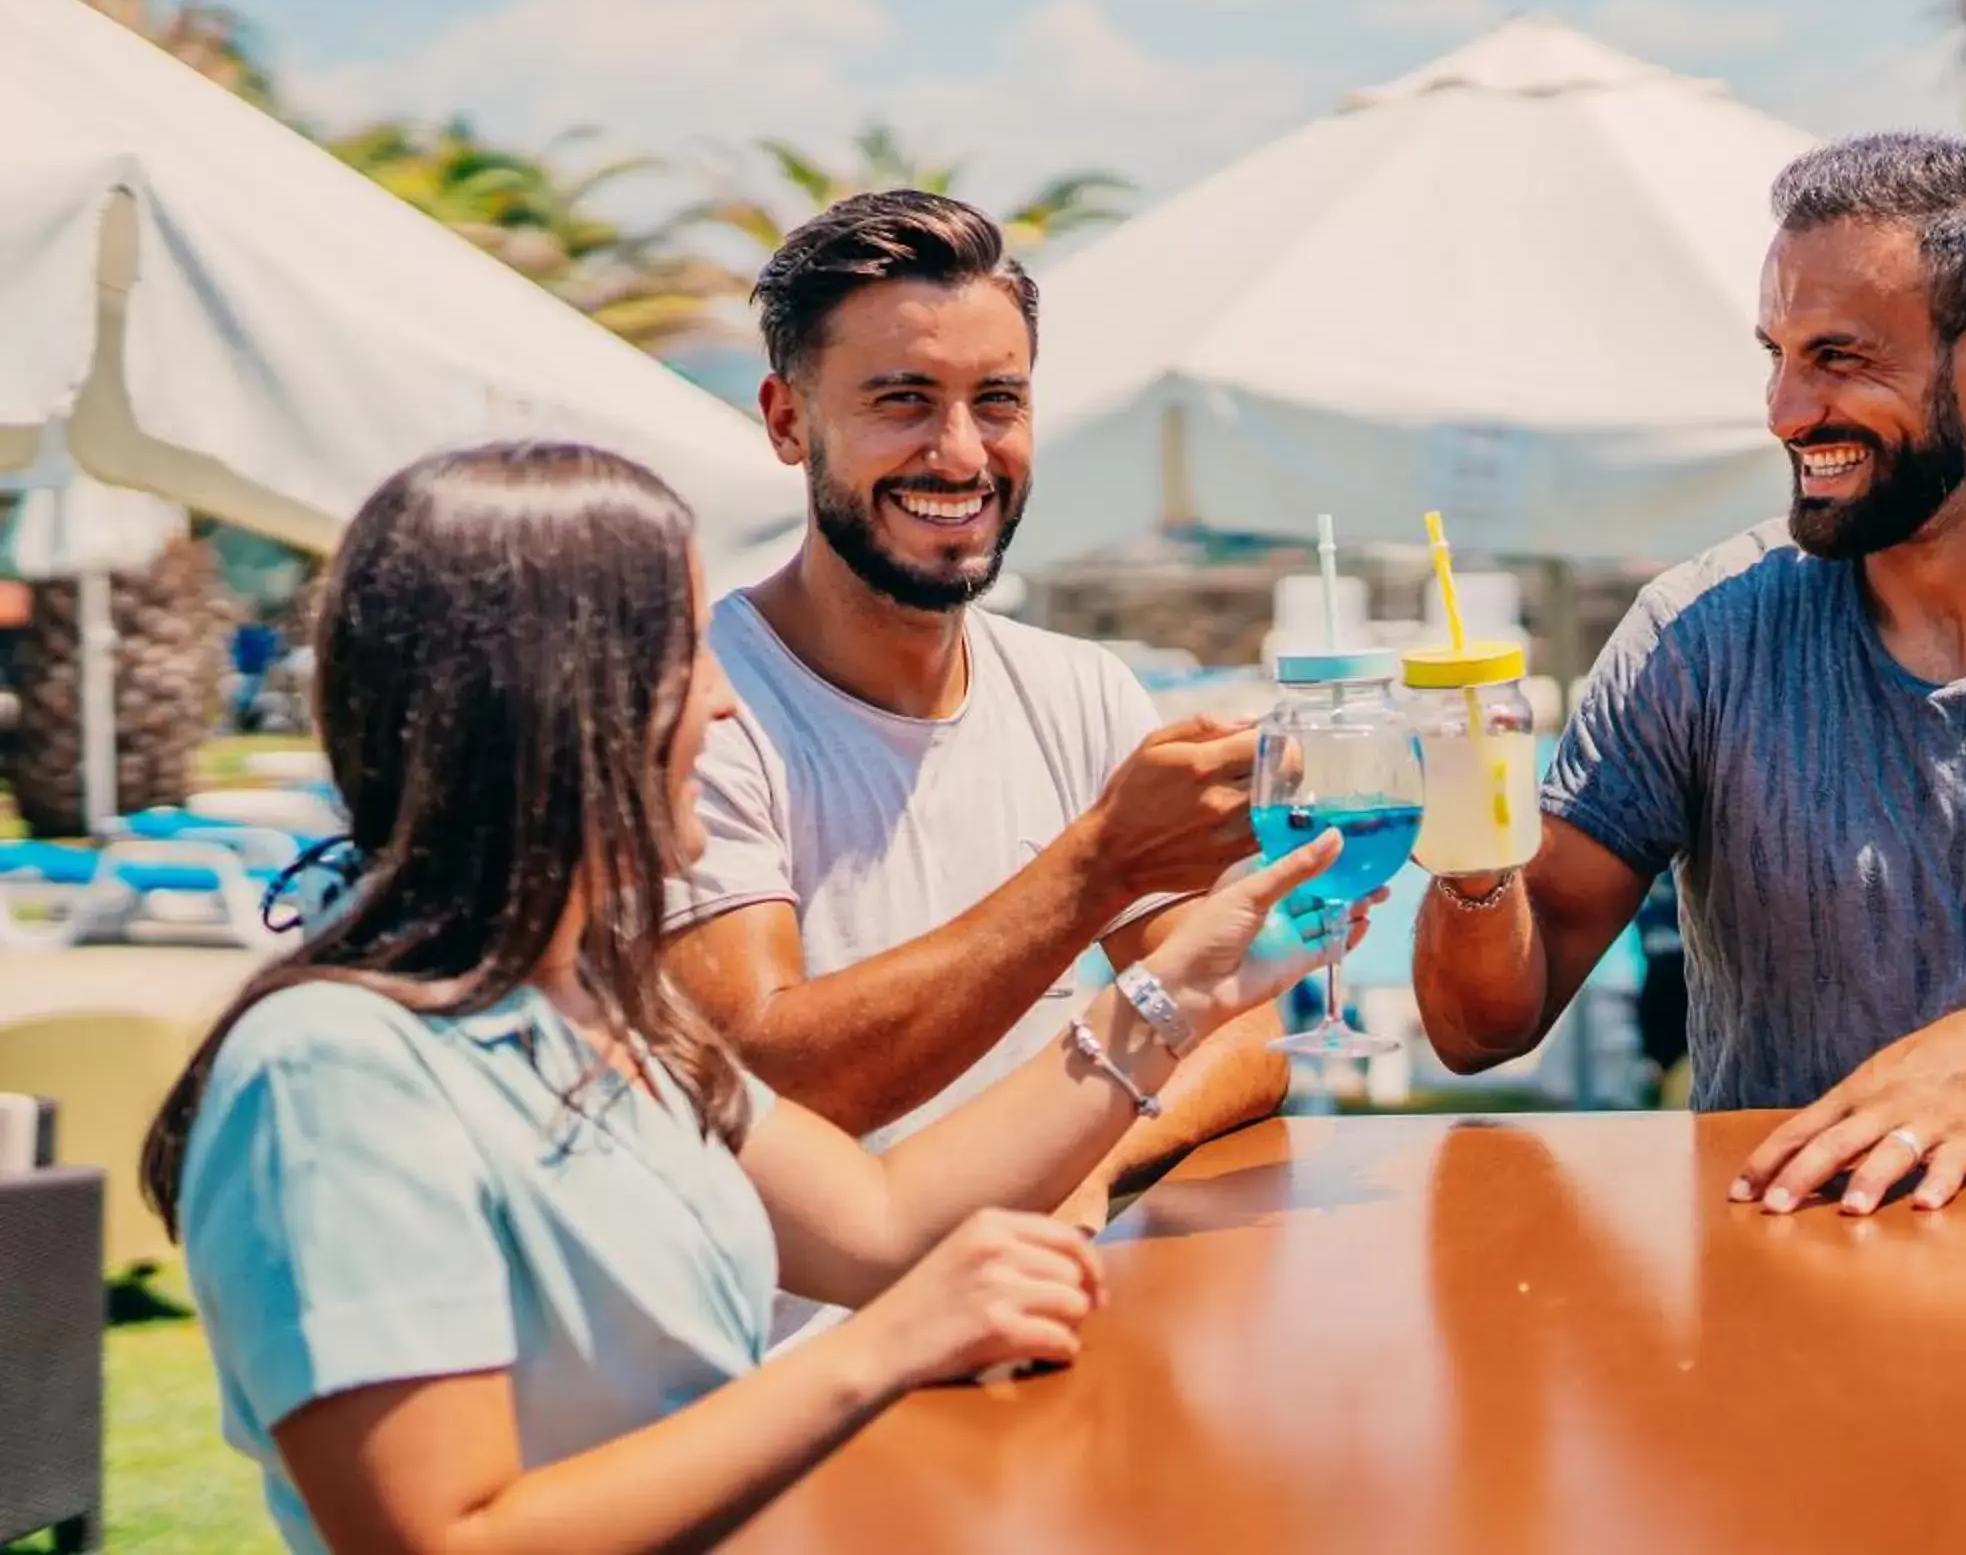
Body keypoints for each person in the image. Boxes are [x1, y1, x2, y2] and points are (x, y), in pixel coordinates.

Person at [143, 442, 1361, 1555]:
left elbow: (883, 1220)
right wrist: (883, 1350)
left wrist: (1176, 991)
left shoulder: (594, 1011)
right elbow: (442, 1537)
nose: (727, 703)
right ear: (557, 693)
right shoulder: (333, 1073)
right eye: (688, 652)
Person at [1412, 133, 1966, 1219]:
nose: (1787, 411)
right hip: (1784, 1272)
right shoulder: (1700, 631)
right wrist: (1471, 843)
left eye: (1839, 358)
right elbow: (1481, 1028)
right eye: (1777, 354)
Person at [658, 191, 1278, 1320]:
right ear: (788, 422)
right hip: (788, 1400)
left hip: (1022, 1342)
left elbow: (1242, 1026)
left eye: (997, 400)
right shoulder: (700, 709)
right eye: (902, 401)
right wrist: (1098, 866)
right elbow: (763, 1081)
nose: (958, 452)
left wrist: (1082, 1173)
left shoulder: (1081, 689)